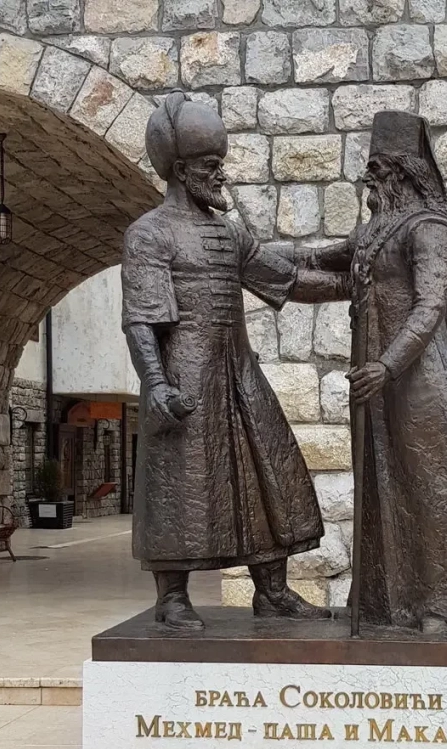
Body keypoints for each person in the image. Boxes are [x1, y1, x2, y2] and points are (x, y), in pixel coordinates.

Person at [291, 110, 447, 633]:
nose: (367, 178)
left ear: (402, 173)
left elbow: (429, 307)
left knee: (432, 486)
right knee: (386, 484)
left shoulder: (429, 229)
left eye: (376, 168)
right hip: (376, 383)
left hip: (420, 379)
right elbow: (318, 261)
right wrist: (250, 257)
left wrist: (386, 365)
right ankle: (389, 604)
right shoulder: (375, 231)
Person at [122, 91, 342, 631]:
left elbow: (288, 275)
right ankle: (172, 597)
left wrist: (353, 277)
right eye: (209, 165)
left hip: (240, 374)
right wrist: (156, 384)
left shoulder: (228, 231)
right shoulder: (149, 233)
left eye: (220, 163)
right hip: (186, 376)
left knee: (269, 470)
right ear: (180, 171)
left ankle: (273, 592)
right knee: (179, 484)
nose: (220, 174)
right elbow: (143, 319)